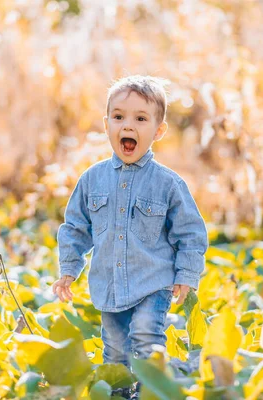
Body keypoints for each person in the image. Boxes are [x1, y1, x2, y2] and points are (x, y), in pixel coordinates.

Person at [52, 75, 208, 398]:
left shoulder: (168, 184)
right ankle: (122, 393)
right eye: (119, 117)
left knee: (146, 336)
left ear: (158, 130)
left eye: (141, 118)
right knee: (116, 351)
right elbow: (75, 227)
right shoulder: (92, 180)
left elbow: (190, 233)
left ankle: (152, 389)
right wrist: (69, 268)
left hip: (153, 282)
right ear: (107, 123)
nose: (128, 125)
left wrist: (187, 274)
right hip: (108, 286)